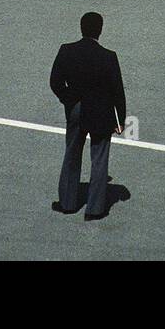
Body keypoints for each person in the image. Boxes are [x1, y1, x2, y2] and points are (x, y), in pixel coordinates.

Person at [49, 12, 126, 220]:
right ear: (100, 31)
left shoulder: (66, 51)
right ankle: (95, 209)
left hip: (76, 109)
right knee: (99, 159)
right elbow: (117, 91)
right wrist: (121, 120)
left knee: (72, 153)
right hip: (101, 112)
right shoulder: (109, 57)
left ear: (81, 28)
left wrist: (69, 99)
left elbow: (55, 82)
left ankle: (67, 202)